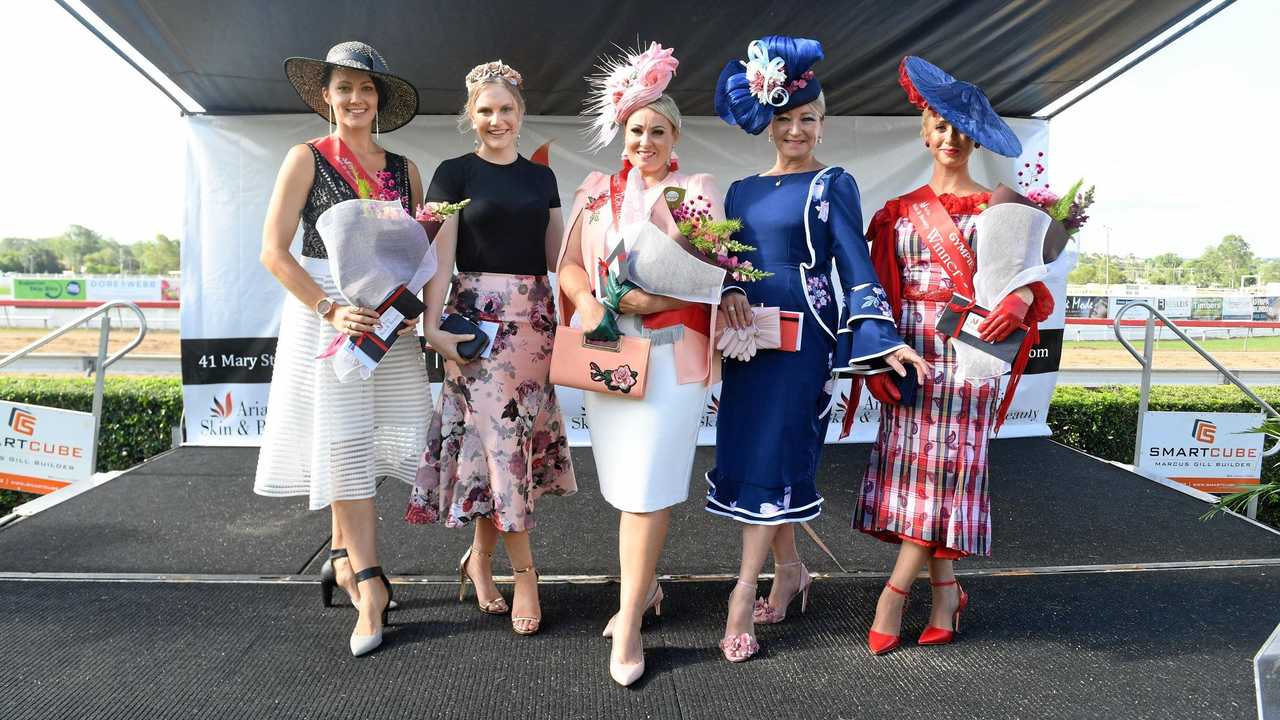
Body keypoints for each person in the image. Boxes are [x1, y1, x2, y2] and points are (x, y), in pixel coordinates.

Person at [709, 36, 928, 663]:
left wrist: (880, 337)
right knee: (755, 455)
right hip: (748, 338)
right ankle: (793, 570)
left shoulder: (835, 184)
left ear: (823, 126)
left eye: (808, 120)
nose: (796, 130)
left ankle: (742, 593)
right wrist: (725, 286)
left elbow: (857, 266)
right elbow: (730, 263)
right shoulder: (741, 192)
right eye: (785, 120)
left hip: (805, 337)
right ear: (768, 125)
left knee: (778, 453)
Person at [856, 56, 1054, 654]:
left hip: (972, 349)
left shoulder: (1002, 205)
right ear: (923, 130)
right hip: (910, 349)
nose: (951, 138)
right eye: (940, 125)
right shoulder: (898, 210)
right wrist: (876, 353)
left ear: (977, 137)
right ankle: (945, 593)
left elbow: (1024, 277)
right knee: (916, 472)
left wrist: (1018, 303)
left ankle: (892, 594)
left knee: (949, 471)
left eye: (962, 128)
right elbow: (878, 288)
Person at [556, 42, 723, 686]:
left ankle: (627, 619)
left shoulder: (695, 191)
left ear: (674, 135)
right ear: (621, 135)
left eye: (657, 130)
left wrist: (654, 297)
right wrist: (587, 299)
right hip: (608, 353)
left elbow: (714, 276)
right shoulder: (595, 193)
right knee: (626, 488)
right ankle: (647, 591)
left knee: (648, 489)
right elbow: (569, 263)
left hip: (669, 356)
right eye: (636, 130)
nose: (645, 140)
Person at [256, 41, 428, 656]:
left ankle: (339, 555)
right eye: (344, 88)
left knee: (373, 437)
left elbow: (415, 254)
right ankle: (372, 582)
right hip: (331, 314)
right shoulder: (304, 157)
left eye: (367, 89)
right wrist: (329, 309)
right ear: (325, 95)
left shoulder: (405, 168)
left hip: (388, 318)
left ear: (379, 98)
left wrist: (409, 310)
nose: (356, 99)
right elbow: (273, 251)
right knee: (345, 443)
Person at [405, 61, 575, 637]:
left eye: (505, 109)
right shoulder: (452, 174)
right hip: (476, 324)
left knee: (501, 452)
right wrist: (433, 328)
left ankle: (479, 560)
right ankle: (525, 574)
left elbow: (558, 260)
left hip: (535, 323)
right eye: (484, 110)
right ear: (469, 116)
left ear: (521, 115)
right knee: (501, 448)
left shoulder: (541, 179)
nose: (495, 119)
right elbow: (439, 259)